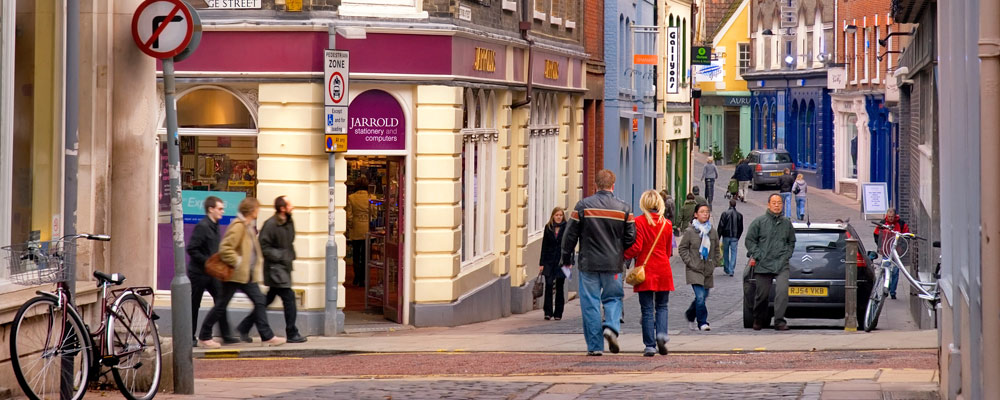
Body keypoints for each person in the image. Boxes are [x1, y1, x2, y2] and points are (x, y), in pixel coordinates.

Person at [561, 169, 636, 356]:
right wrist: (620, 251)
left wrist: (566, 258)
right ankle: (611, 326)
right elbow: (631, 237)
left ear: (596, 185)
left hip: (589, 263)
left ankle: (595, 347)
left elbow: (569, 235)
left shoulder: (583, 206)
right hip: (613, 263)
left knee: (590, 303)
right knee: (613, 298)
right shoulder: (624, 208)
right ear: (613, 185)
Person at [198, 198, 286, 348]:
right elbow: (225, 248)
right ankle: (204, 336)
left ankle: (267, 336)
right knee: (221, 305)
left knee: (259, 301)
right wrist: (237, 261)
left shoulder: (247, 226)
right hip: (236, 275)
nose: (258, 212)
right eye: (257, 209)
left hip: (246, 275)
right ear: (251, 211)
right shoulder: (238, 226)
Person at [237, 196, 307, 344]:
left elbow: (290, 240)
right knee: (289, 299)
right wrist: (281, 255)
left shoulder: (288, 221)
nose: (292, 207)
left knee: (265, 300)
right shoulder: (271, 224)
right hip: (275, 269)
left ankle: (244, 326)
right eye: (290, 204)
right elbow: (264, 246)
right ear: (282, 208)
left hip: (283, 267)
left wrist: (288, 256)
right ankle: (292, 332)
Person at [623, 190, 674, 357]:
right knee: (662, 306)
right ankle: (661, 335)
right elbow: (668, 251)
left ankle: (650, 345)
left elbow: (636, 247)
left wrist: (623, 255)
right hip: (663, 268)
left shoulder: (639, 222)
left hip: (646, 270)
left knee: (646, 309)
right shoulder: (667, 224)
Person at [185, 196, 238, 345]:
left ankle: (226, 334)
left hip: (212, 273)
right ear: (211, 209)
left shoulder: (215, 225)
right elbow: (192, 249)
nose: (222, 211)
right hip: (199, 274)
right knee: (194, 305)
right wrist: (207, 261)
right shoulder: (202, 226)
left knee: (221, 301)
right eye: (220, 209)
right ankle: (190, 337)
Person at [745, 194, 796, 331]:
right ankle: (758, 318)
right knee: (762, 295)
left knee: (782, 292)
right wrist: (758, 254)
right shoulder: (759, 222)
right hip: (763, 263)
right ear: (768, 204)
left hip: (781, 264)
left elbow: (791, 241)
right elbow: (750, 240)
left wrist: (787, 255)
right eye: (774, 203)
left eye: (779, 203)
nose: (777, 205)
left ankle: (779, 321)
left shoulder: (786, 223)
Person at [678, 204, 720, 331]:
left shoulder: (712, 231)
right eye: (702, 212)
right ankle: (702, 322)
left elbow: (717, 249)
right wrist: (689, 261)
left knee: (702, 297)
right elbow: (682, 248)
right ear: (696, 214)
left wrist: (714, 263)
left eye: (707, 212)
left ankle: (690, 314)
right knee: (700, 296)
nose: (705, 214)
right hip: (694, 269)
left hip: (707, 269)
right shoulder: (690, 231)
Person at [539, 207, 568, 321]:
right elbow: (544, 245)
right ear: (553, 216)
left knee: (560, 286)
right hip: (549, 261)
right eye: (557, 215)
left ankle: (558, 313)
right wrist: (541, 263)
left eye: (560, 215)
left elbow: (569, 245)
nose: (559, 217)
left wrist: (569, 262)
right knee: (549, 284)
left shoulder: (566, 227)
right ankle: (548, 312)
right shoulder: (548, 227)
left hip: (562, 262)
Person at [874, 208, 910, 299]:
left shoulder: (901, 223)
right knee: (885, 270)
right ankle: (887, 287)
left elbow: (907, 235)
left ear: (895, 216)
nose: (890, 218)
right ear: (887, 215)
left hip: (896, 252)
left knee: (895, 272)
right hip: (886, 251)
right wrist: (880, 245)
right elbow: (876, 234)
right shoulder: (882, 223)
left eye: (892, 217)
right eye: (889, 216)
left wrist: (901, 246)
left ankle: (893, 292)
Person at [346, 176, 371, 287]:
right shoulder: (371, 197)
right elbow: (374, 214)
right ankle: (363, 279)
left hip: (356, 228)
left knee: (356, 254)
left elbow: (349, 216)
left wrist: (350, 226)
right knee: (365, 255)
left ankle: (356, 277)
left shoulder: (351, 197)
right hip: (367, 229)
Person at [718, 198, 744, 277]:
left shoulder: (725, 214)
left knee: (725, 252)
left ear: (729, 204)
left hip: (726, 236)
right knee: (734, 253)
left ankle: (726, 268)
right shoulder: (739, 215)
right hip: (735, 236)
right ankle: (731, 269)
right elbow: (741, 227)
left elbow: (721, 226)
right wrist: (738, 236)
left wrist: (718, 236)